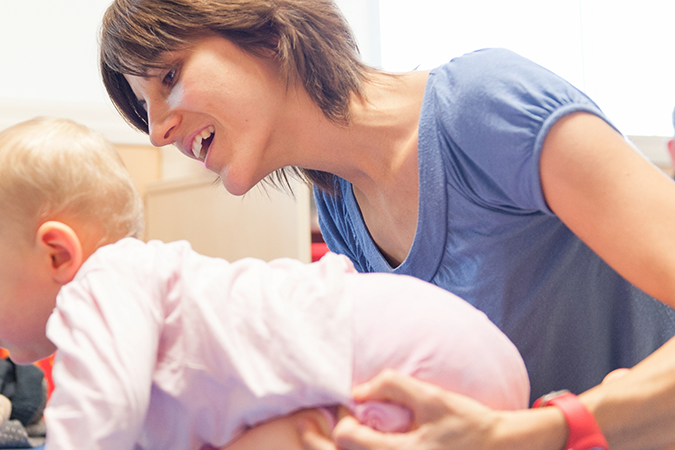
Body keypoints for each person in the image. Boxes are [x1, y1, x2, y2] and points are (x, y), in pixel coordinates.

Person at [97, 0, 675, 449]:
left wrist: (536, 434)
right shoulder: (342, 210)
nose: (155, 133)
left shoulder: (486, 106)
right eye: (143, 105)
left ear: (267, 30)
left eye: (169, 75)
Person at [0, 116, 530, 450]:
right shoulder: (143, 312)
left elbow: (99, 418)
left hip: (398, 349)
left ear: (58, 253)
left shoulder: (104, 281)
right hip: (442, 354)